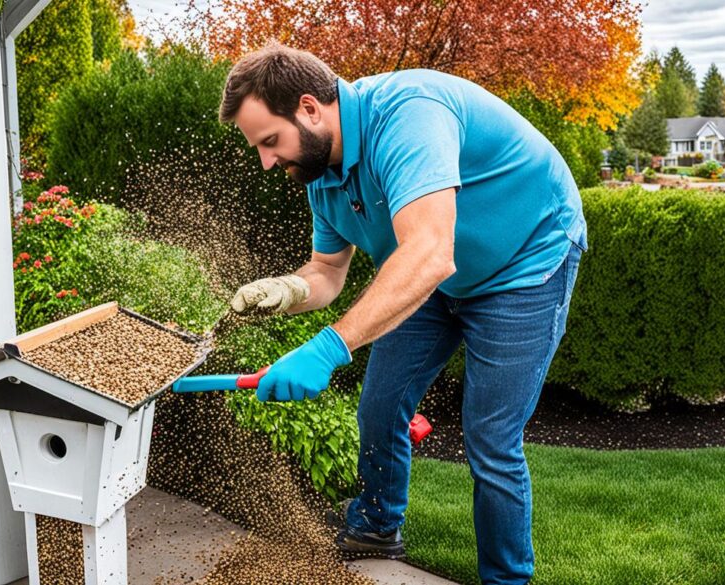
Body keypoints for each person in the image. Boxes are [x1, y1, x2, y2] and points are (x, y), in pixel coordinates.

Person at [219, 41, 586, 585]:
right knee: (381, 404)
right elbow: (328, 269)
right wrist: (291, 289)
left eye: (270, 141)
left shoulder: (409, 114)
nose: (268, 161)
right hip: (434, 273)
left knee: (490, 439)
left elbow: (430, 253)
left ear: (310, 108)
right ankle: (375, 524)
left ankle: (507, 579)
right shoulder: (322, 171)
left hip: (525, 263)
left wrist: (327, 347)